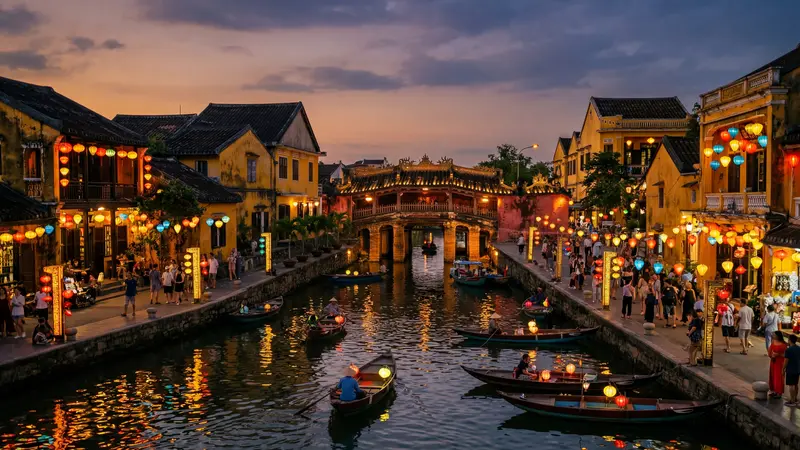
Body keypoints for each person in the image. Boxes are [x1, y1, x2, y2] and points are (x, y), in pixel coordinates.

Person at [768, 330, 788, 399]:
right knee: (773, 376)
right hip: (773, 362)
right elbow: (770, 351)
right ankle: (774, 391)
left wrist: (778, 354)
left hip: (780, 363)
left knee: (779, 377)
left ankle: (779, 392)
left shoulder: (784, 344)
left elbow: (786, 355)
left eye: (774, 334)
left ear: (777, 336)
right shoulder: (773, 342)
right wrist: (771, 355)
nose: (773, 335)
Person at [784, 334, 800, 406]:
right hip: (797, 369)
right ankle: (796, 399)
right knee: (796, 384)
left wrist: (783, 369)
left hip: (790, 369)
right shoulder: (799, 348)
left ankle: (792, 401)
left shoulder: (788, 350)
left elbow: (786, 361)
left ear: (789, 340)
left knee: (791, 385)